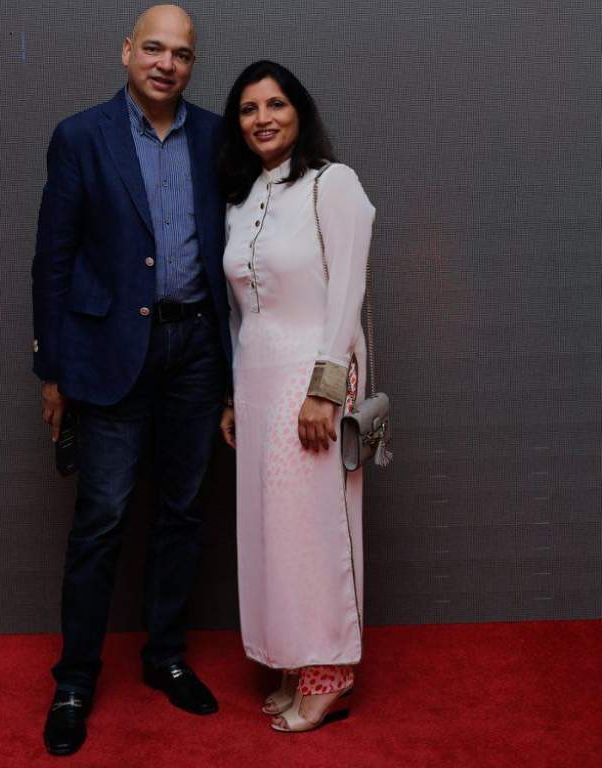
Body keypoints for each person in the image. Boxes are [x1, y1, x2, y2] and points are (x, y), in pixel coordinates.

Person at [31, 5, 230, 756]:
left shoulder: (215, 137)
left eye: (181, 53)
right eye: (153, 47)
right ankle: (76, 680)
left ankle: (166, 657)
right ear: (125, 52)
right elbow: (52, 258)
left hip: (197, 350)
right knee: (104, 518)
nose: (166, 63)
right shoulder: (80, 136)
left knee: (182, 512)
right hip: (109, 354)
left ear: (191, 64)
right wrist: (51, 369)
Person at [218, 60, 375, 733]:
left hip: (314, 375)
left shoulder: (331, 185)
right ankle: (293, 661)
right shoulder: (243, 197)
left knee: (316, 528)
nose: (263, 118)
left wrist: (326, 388)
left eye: (276, 104)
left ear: (299, 111)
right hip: (257, 384)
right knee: (271, 531)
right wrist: (232, 395)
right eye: (249, 109)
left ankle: (331, 672)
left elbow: (348, 292)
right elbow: (238, 311)